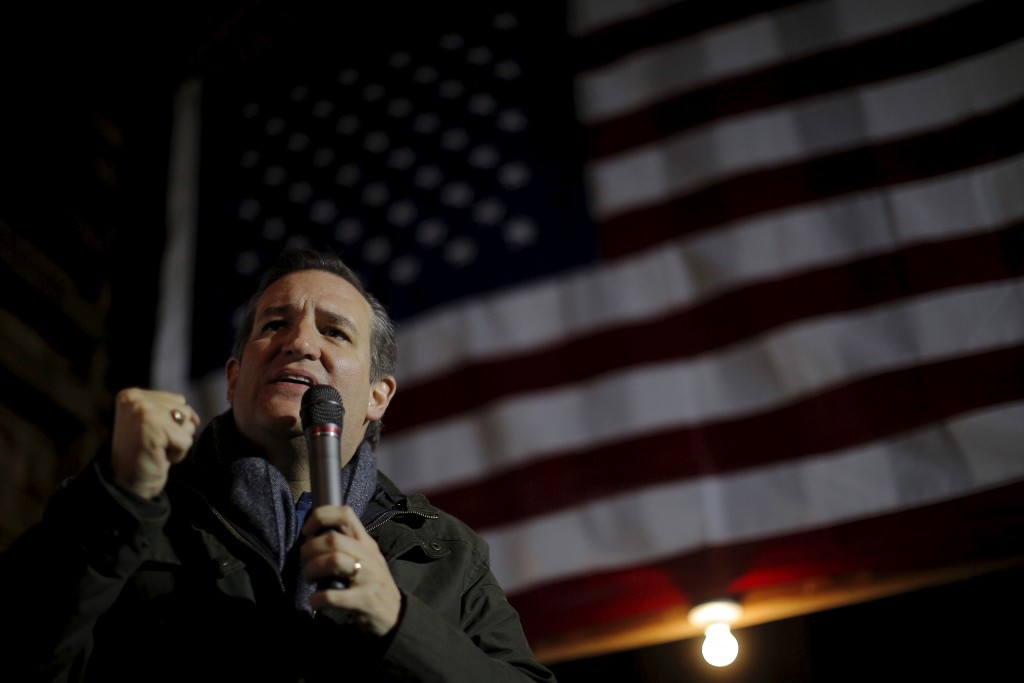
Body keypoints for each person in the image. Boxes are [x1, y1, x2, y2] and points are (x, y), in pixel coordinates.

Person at [0, 248, 557, 682]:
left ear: (377, 397)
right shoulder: (131, 508)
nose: (299, 342)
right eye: (274, 325)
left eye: (334, 331)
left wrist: (398, 624)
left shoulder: (450, 556)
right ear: (234, 376)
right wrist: (120, 497)